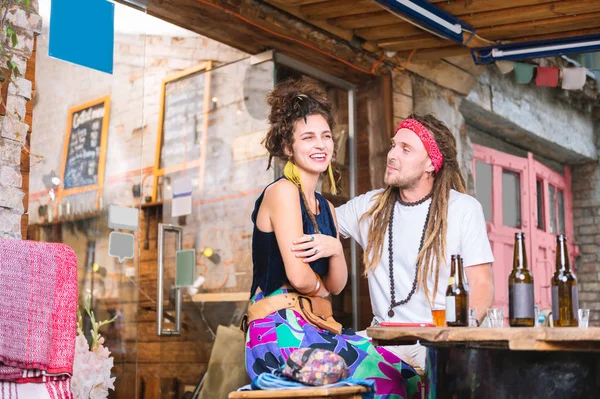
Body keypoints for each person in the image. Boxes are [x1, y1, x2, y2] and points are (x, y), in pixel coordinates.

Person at [244, 78, 422, 398]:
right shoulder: (283, 192)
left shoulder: (325, 206)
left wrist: (335, 249)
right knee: (385, 380)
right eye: (308, 137)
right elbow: (300, 277)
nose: (321, 144)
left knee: (408, 375)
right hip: (279, 332)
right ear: (288, 147)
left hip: (313, 326)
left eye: (326, 136)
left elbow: (338, 285)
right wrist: (322, 287)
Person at [295, 113, 495, 370]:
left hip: (437, 342)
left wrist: (456, 339)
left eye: (406, 149)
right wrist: (301, 174)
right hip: (382, 343)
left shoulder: (462, 209)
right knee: (314, 364)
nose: (392, 154)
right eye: (393, 145)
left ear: (430, 165)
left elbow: (482, 284)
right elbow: (314, 218)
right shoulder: (370, 206)